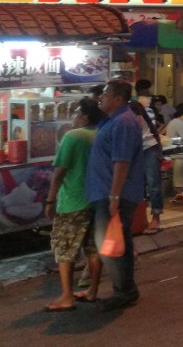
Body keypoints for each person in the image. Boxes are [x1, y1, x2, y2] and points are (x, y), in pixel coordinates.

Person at [86, 80, 145, 311]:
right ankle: (126, 289)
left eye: (106, 94)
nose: (102, 97)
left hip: (114, 194)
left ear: (119, 99)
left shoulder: (123, 122)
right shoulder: (113, 120)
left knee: (109, 244)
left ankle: (124, 290)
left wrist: (114, 197)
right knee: (118, 243)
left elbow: (122, 162)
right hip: (107, 191)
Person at [43, 96, 104, 312]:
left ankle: (67, 297)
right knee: (93, 249)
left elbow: (60, 171)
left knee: (65, 250)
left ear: (85, 117)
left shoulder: (73, 137)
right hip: (96, 200)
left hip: (73, 202)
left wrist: (50, 199)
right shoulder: (102, 134)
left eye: (76, 113)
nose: (74, 117)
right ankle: (92, 291)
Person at [132, 84, 164, 234]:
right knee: (140, 185)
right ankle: (141, 219)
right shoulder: (127, 109)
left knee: (153, 183)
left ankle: (156, 218)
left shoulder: (134, 108)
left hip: (150, 147)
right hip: (138, 150)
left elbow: (138, 128)